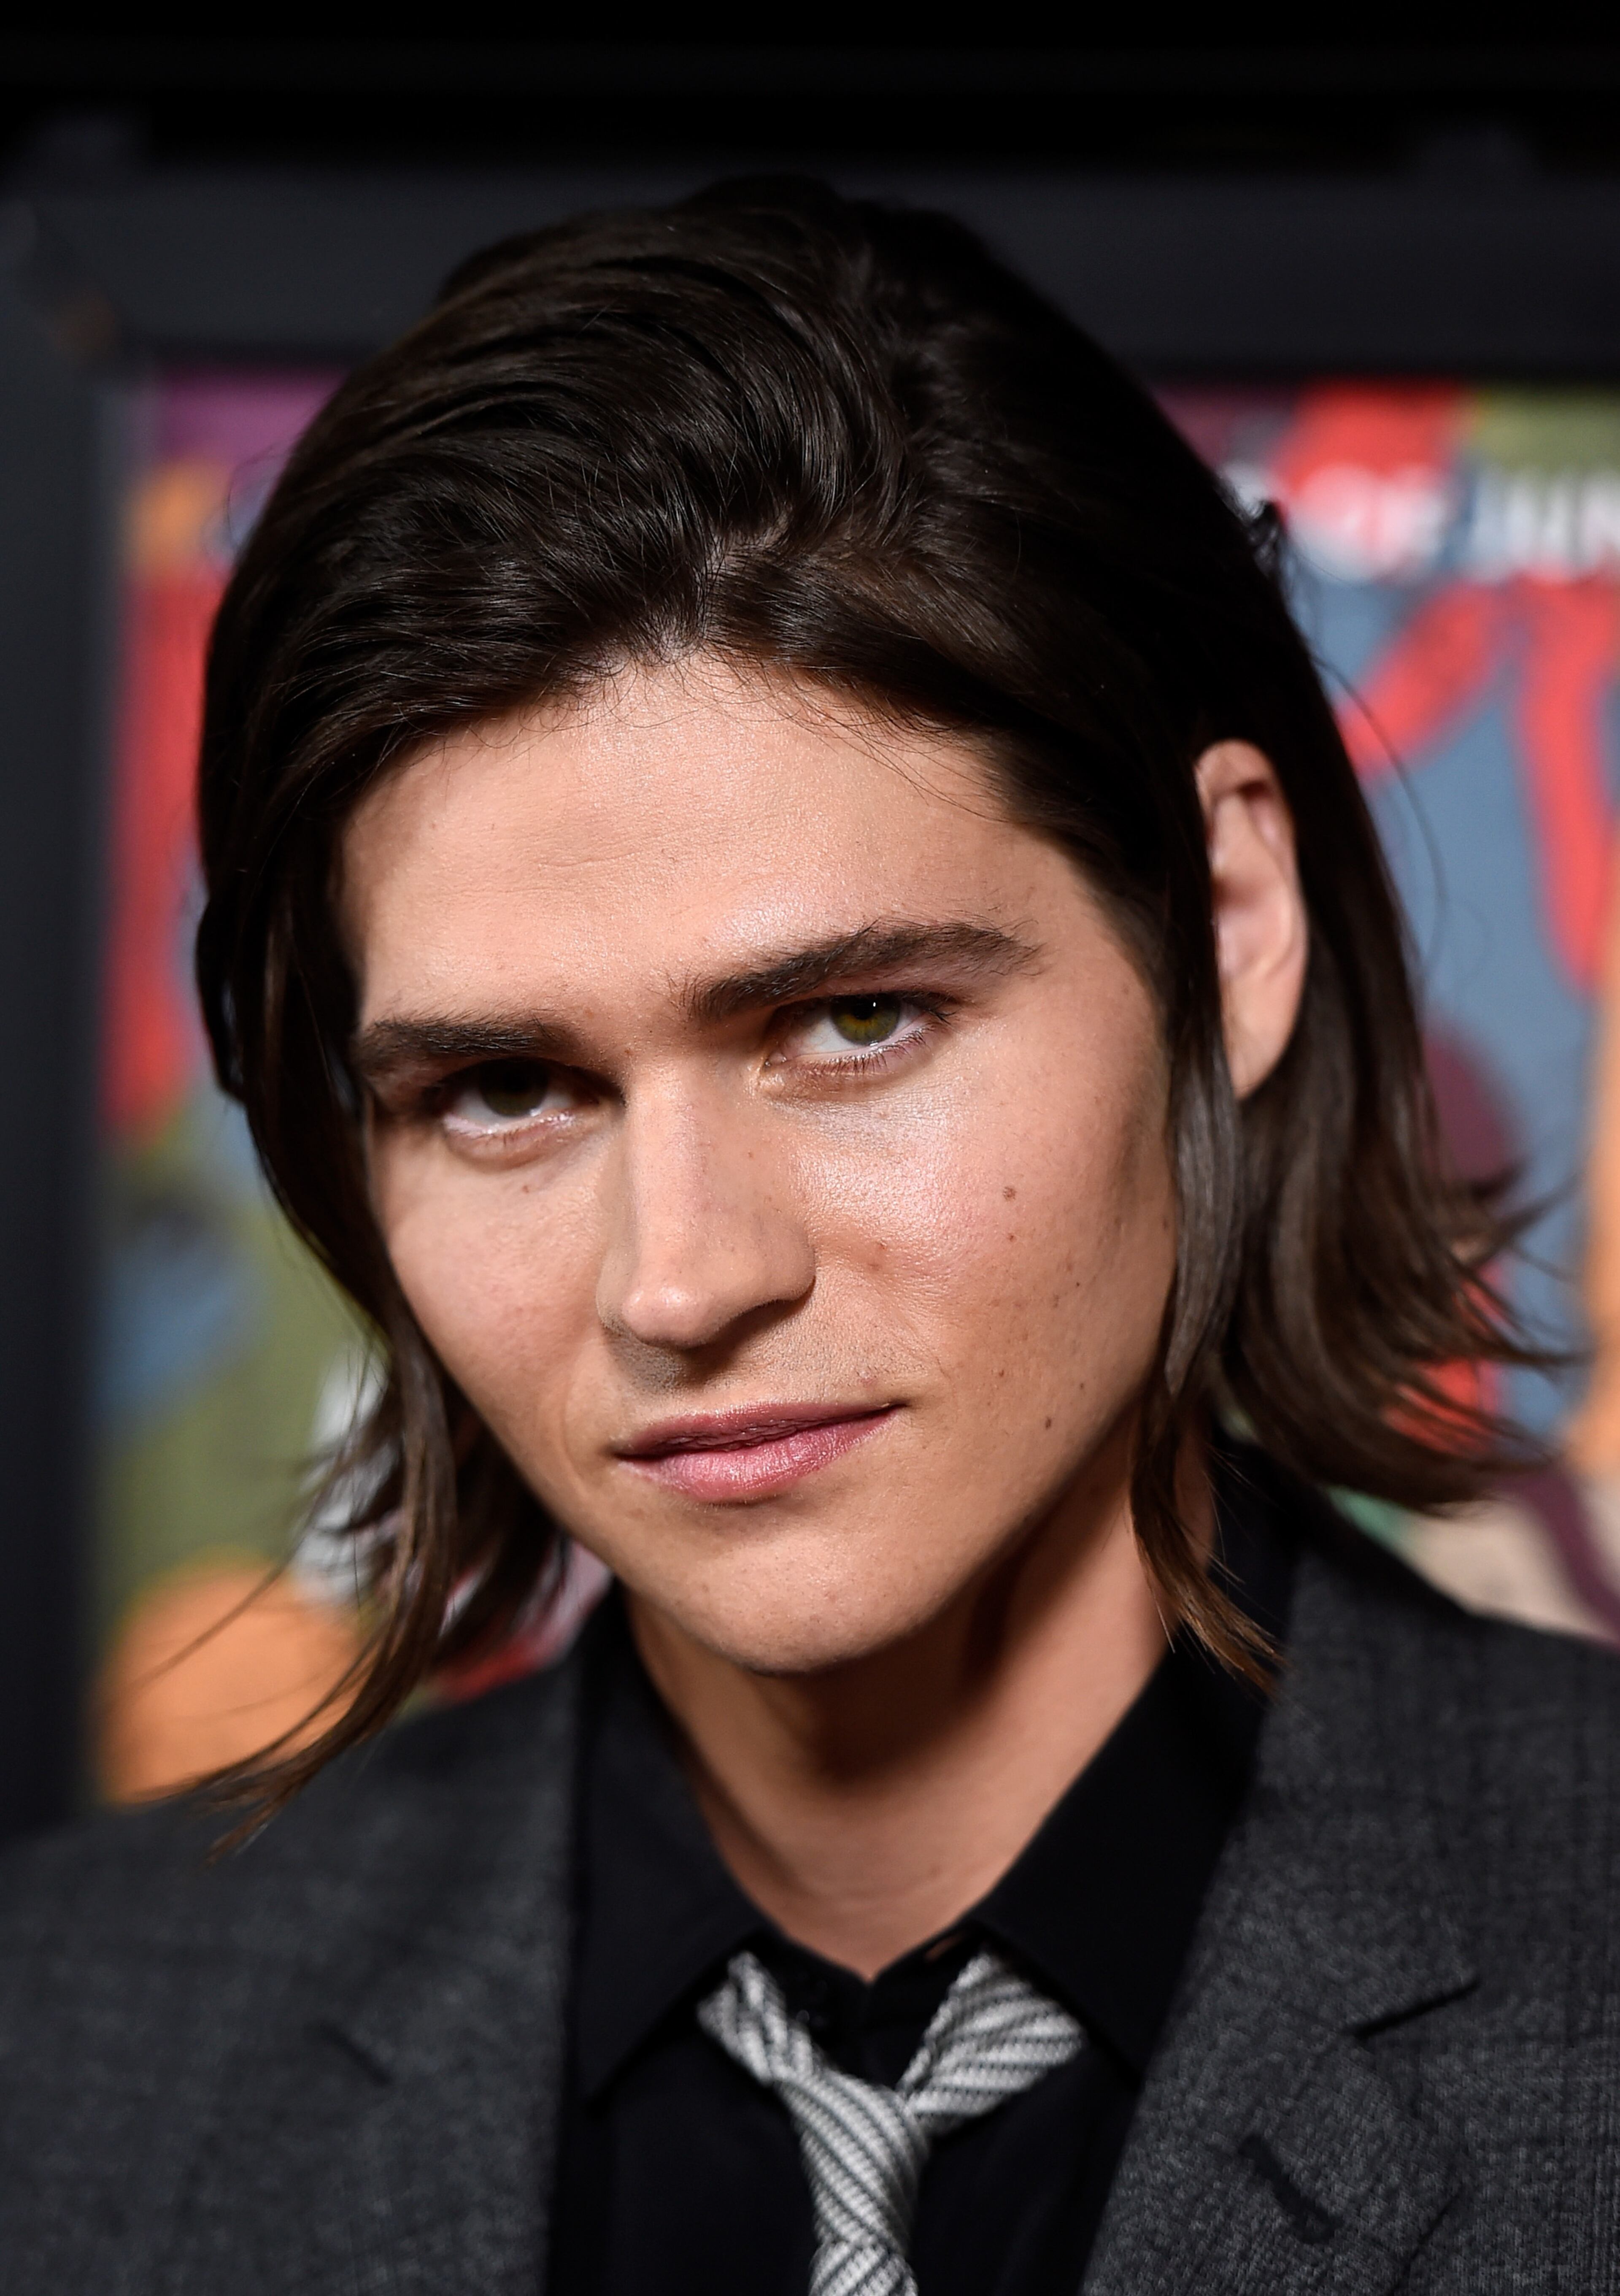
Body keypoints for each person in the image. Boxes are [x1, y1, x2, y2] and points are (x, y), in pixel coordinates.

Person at [2, 179, 1616, 2295]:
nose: (680, 1281)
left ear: (1227, 925)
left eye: (854, 1023)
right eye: (508, 1089)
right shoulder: (63, 2059)